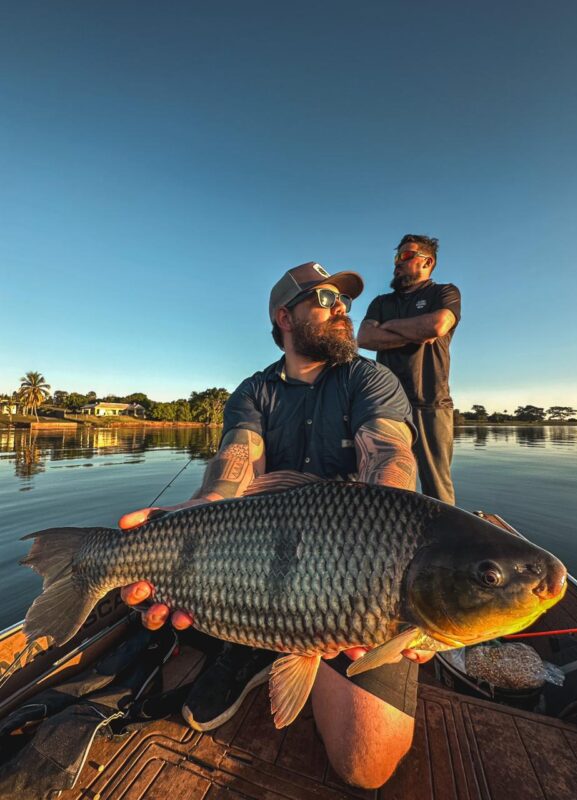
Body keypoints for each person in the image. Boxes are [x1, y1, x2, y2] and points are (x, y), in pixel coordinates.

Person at [119, 261, 433, 789]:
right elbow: (236, 464)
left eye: (346, 302)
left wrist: (399, 578)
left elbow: (390, 456)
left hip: (358, 593)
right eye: (326, 299)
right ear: (285, 317)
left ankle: (276, 649)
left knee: (367, 762)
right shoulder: (252, 391)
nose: (343, 310)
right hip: (257, 580)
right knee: (167, 606)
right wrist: (201, 507)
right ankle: (251, 645)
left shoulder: (370, 378)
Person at [357, 235, 461, 505]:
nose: (396, 264)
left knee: (437, 490)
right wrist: (416, 332)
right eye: (396, 257)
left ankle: (445, 546)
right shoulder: (381, 303)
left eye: (405, 256)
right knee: (386, 487)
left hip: (431, 403)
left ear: (427, 262)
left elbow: (436, 327)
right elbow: (365, 338)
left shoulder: (444, 293)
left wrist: (387, 327)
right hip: (385, 407)